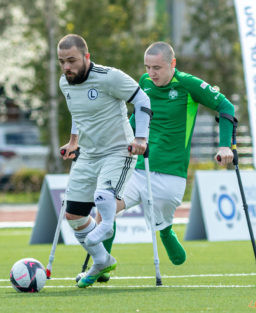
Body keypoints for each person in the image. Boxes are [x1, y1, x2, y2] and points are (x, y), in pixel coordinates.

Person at [101, 41, 235, 277]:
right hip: (138, 167)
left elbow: (226, 106)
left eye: (157, 68)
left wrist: (225, 145)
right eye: (147, 67)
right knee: (105, 207)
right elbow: (137, 118)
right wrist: (123, 141)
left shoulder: (188, 84)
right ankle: (101, 266)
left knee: (160, 220)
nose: (151, 74)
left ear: (172, 64)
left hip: (171, 173)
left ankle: (165, 231)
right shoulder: (144, 83)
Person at [57, 34, 152, 288]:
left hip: (119, 151)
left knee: (103, 196)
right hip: (88, 154)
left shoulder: (109, 77)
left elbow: (142, 100)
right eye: (62, 62)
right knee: (74, 215)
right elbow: (78, 112)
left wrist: (141, 138)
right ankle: (102, 260)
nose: (67, 67)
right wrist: (73, 141)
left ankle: (106, 226)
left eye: (72, 61)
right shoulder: (65, 83)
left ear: (87, 57)